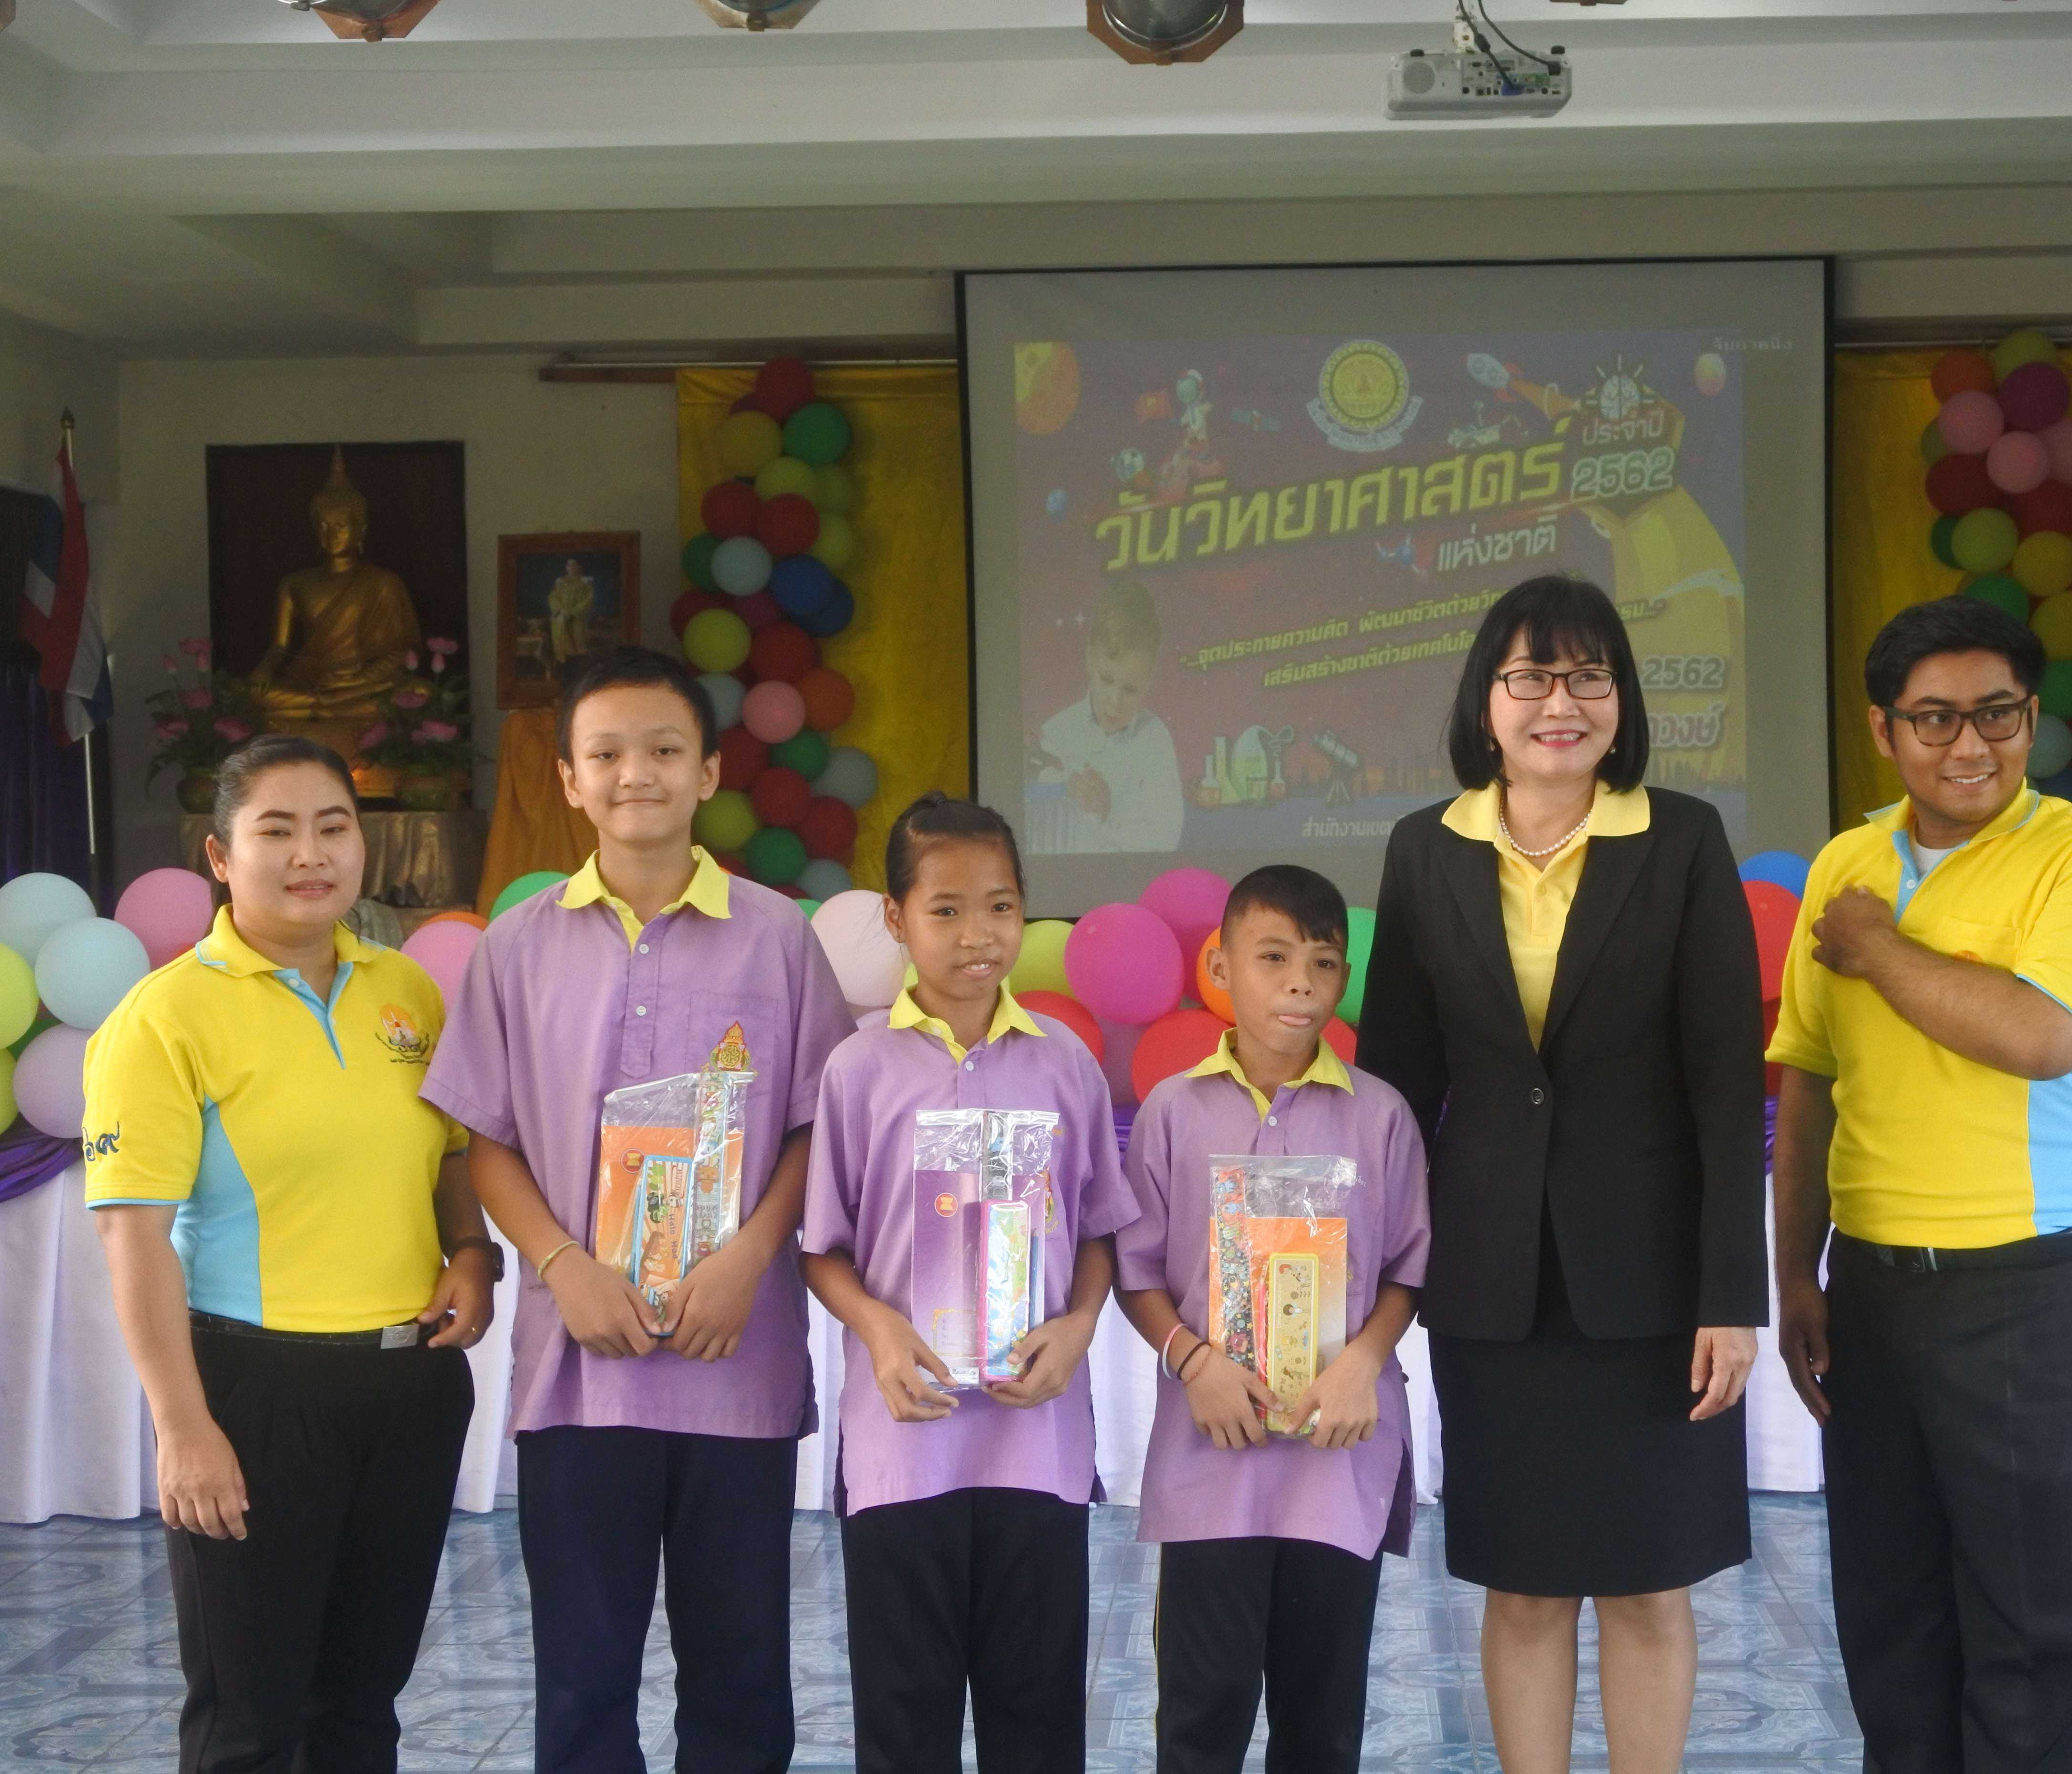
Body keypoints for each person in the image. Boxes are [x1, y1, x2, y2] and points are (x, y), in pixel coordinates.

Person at [420, 646, 855, 1774]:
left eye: (664, 749)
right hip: (580, 1364)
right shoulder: (516, 946)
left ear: (707, 771)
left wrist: (748, 1258)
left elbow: (816, 1126)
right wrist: (563, 1266)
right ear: (569, 779)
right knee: (582, 1677)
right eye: (606, 753)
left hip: (735, 1357)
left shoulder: (778, 936)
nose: (636, 774)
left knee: (740, 1674)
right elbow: (486, 1137)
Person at [1357, 573, 1765, 1774]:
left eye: (1589, 675)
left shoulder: (1681, 839)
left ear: (1622, 699)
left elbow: (1724, 1080)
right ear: (1485, 700)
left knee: (1648, 1582)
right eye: (1531, 675)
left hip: (1652, 1288)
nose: (1560, 702)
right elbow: (1395, 1085)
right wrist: (1369, 1285)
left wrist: (1729, 1294)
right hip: (1493, 1283)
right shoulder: (1425, 849)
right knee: (1523, 1583)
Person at [1767, 596, 2072, 1773]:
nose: (1969, 744)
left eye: (1996, 713)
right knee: (1891, 1611)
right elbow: (1809, 1081)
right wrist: (1795, 1275)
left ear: (2032, 717)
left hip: (2037, 1285)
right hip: (1873, 1287)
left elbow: (2042, 1034)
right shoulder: (1845, 866)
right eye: (1934, 718)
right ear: (1883, 730)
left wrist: (1879, 947)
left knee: (2031, 1624)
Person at [85, 733, 496, 1774]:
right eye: (277, 830)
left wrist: (470, 1246)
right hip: (254, 1395)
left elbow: (449, 1149)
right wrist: (183, 1427)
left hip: (410, 1387)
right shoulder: (165, 1015)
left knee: (361, 1706)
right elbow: (131, 1233)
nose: (310, 853)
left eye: (333, 826)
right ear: (221, 856)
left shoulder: (408, 991)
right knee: (250, 1722)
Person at [798, 793, 1137, 1774]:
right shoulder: (858, 1069)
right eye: (945, 909)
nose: (977, 933)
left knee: (1037, 1719)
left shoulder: (1065, 1064)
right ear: (896, 918)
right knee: (904, 1721)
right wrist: (878, 1328)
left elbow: (1100, 1228)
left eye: (999, 906)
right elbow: (823, 1247)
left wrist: (1078, 1325)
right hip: (904, 1445)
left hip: (1036, 1441)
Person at [1116, 864, 1430, 1774]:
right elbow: (1135, 1270)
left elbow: (1408, 1268)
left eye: (1322, 963)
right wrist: (1191, 1361)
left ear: (1343, 979)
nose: (1300, 983)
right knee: (1200, 1718)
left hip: (1336, 1461)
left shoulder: (1380, 1115)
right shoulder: (1171, 1111)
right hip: (1211, 1463)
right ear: (1219, 966)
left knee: (1321, 1725)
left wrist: (1362, 1362)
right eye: (1274, 957)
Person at [1029, 579, 1184, 854]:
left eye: (1130, 690)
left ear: (1149, 682)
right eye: (1107, 680)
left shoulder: (1155, 739)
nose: (1115, 702)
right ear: (1089, 659)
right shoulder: (1055, 734)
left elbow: (1167, 838)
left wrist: (1109, 814)